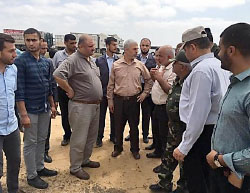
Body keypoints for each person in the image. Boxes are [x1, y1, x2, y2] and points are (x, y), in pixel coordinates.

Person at [173, 26, 230, 193]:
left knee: (197, 181)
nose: (186, 54)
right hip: (214, 132)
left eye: (185, 48)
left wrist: (184, 146)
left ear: (192, 47)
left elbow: (198, 115)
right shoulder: (218, 65)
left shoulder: (201, 70)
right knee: (210, 179)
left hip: (201, 135)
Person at [206, 22, 250, 193]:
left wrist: (221, 159)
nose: (218, 53)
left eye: (221, 48)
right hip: (223, 174)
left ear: (231, 51)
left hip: (238, 182)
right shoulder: (236, 83)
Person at [53, 34, 102, 180]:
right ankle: (75, 167)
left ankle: (85, 160)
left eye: (93, 45)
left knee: (90, 137)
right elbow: (57, 75)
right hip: (81, 106)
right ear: (80, 47)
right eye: (90, 46)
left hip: (94, 106)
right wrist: (68, 89)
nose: (93, 48)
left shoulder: (91, 60)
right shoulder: (73, 60)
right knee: (79, 138)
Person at [15, 28, 58, 189]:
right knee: (30, 142)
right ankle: (31, 175)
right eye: (28, 40)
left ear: (41, 41)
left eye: (34, 40)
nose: (31, 43)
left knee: (42, 139)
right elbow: (19, 90)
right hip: (30, 110)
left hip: (44, 108)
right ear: (24, 41)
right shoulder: (21, 61)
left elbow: (49, 86)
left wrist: (52, 105)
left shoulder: (46, 62)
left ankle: (40, 167)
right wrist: (23, 114)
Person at [149, 50, 190, 193]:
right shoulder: (179, 80)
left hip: (184, 129)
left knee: (183, 160)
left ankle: (182, 187)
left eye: (175, 63)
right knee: (168, 156)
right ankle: (164, 184)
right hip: (173, 126)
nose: (173, 65)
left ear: (183, 66)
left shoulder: (190, 82)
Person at [107, 39, 153, 160]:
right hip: (119, 100)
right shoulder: (116, 65)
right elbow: (111, 85)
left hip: (134, 101)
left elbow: (149, 80)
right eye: (134, 49)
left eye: (137, 49)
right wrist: (110, 101)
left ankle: (135, 149)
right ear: (126, 50)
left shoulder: (139, 65)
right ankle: (118, 148)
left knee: (134, 126)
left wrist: (144, 94)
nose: (137, 51)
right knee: (118, 126)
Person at [147, 46, 176, 159]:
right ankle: (157, 150)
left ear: (169, 57)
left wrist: (159, 78)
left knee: (164, 135)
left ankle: (164, 160)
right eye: (156, 55)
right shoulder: (161, 67)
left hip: (165, 107)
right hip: (156, 106)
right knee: (156, 131)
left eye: (160, 56)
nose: (157, 58)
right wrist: (153, 76)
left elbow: (169, 90)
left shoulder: (173, 70)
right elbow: (157, 84)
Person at [0, 33, 21, 193]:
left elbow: (14, 95)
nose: (15, 54)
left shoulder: (13, 69)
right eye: (11, 51)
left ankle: (13, 190)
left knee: (15, 162)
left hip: (11, 126)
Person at [125, 38, 156, 144]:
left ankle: (145, 134)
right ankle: (132, 132)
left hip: (147, 89)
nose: (144, 47)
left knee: (146, 114)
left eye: (147, 45)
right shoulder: (134, 58)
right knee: (133, 113)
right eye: (142, 45)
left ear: (150, 47)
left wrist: (147, 91)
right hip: (135, 87)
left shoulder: (153, 59)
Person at [53, 34, 77, 146]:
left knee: (77, 114)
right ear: (65, 43)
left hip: (76, 90)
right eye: (71, 43)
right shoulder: (58, 55)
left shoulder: (79, 55)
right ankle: (67, 135)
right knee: (65, 114)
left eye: (75, 43)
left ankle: (77, 136)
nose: (74, 45)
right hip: (62, 90)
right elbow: (54, 74)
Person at [95, 37, 119, 147]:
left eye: (116, 44)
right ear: (107, 46)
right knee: (100, 117)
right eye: (113, 45)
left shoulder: (118, 60)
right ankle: (98, 138)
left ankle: (113, 136)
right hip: (103, 93)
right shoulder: (99, 61)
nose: (116, 47)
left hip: (115, 93)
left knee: (115, 117)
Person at [40, 40, 58, 163]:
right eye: (43, 48)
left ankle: (45, 152)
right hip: (33, 103)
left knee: (46, 129)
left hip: (47, 101)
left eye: (46, 48)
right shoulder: (23, 62)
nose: (44, 51)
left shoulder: (48, 63)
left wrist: (54, 102)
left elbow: (52, 83)